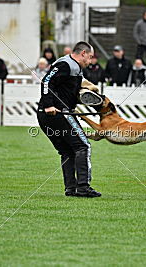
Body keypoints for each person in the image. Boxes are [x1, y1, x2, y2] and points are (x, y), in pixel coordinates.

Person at [37, 41, 101, 198]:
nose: (91, 60)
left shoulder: (74, 67)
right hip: (56, 112)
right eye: (90, 57)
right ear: (83, 53)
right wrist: (48, 105)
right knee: (83, 146)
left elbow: (68, 89)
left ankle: (71, 189)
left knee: (67, 151)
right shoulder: (66, 64)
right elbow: (46, 81)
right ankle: (83, 187)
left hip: (49, 115)